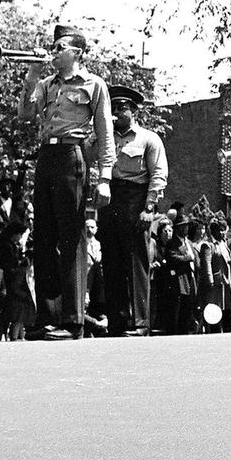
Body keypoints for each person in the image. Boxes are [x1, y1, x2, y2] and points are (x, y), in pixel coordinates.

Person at [17, 25, 115, 340]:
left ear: (77, 53)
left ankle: (73, 321)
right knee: (43, 237)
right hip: (46, 156)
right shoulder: (46, 84)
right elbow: (26, 114)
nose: (54, 52)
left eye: (60, 47)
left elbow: (104, 131)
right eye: (54, 47)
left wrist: (104, 177)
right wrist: (31, 76)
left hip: (73, 158)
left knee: (71, 238)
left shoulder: (94, 84)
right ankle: (47, 316)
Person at [98, 84, 167, 337]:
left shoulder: (148, 139)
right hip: (110, 199)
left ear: (134, 111)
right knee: (112, 261)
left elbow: (158, 175)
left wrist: (149, 207)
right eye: (112, 107)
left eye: (122, 108)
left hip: (135, 198)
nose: (116, 112)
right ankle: (118, 320)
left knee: (136, 262)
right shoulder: (104, 137)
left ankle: (140, 322)